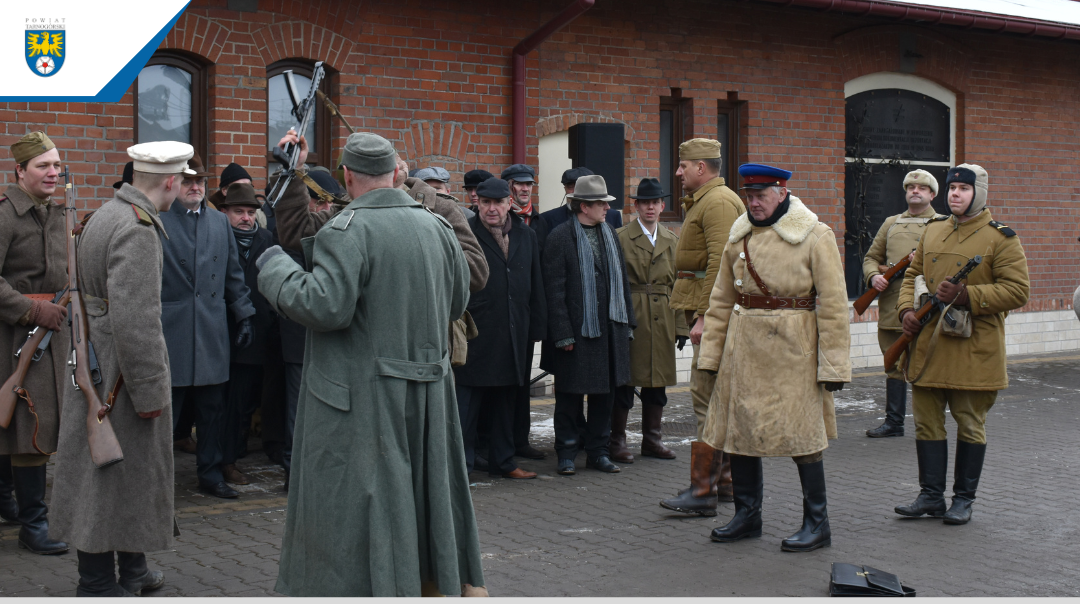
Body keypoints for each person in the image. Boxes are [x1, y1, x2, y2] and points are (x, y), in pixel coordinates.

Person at [256, 131, 485, 596]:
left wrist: (274, 269)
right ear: (395, 172)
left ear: (346, 175)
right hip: (429, 398)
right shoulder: (438, 228)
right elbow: (459, 297)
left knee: (362, 508)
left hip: (361, 401)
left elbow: (325, 306)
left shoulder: (349, 230)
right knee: (426, 498)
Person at [51, 140, 189, 596]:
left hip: (98, 365)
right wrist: (151, 394)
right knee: (111, 480)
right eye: (182, 180)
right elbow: (137, 321)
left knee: (121, 479)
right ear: (170, 181)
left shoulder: (107, 214)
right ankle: (97, 583)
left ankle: (132, 572)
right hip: (121, 377)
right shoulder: (137, 229)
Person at [698, 163, 850, 552]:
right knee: (742, 433)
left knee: (804, 438)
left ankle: (818, 523)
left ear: (782, 194)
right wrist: (711, 358)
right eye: (748, 196)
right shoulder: (739, 237)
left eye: (760, 196)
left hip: (794, 352)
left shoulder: (815, 236)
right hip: (744, 350)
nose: (753, 202)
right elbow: (720, 301)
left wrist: (833, 365)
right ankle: (748, 516)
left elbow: (833, 306)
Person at [895, 164, 1029, 525]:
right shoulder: (933, 231)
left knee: (969, 423)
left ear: (978, 193)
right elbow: (912, 274)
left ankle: (963, 500)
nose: (955, 194)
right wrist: (907, 309)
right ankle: (930, 496)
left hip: (974, 350)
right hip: (929, 347)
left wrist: (968, 294)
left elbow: (1018, 291)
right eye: (952, 187)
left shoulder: (1001, 238)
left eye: (963, 189)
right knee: (926, 424)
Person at [273, 136, 488, 296]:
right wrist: (293, 170)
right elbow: (298, 232)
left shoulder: (439, 207)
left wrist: (413, 244)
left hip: (428, 336)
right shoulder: (349, 210)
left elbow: (476, 272)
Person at [158, 151, 255, 499]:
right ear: (174, 182)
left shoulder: (217, 222)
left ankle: (211, 474)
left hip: (211, 330)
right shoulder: (159, 219)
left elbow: (233, 275)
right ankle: (157, 482)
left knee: (213, 409)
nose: (195, 186)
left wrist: (244, 314)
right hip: (172, 330)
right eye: (188, 181)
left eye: (200, 181)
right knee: (167, 413)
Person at [660, 138, 745, 517]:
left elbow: (722, 264)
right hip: (705, 314)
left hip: (712, 318)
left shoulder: (719, 202)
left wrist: (706, 316)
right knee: (710, 398)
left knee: (706, 398)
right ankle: (722, 483)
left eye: (683, 165)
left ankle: (703, 490)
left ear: (700, 168)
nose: (677, 172)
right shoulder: (707, 201)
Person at [0, 131, 70, 555]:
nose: (53, 172)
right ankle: (33, 525)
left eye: (56, 164)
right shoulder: (6, 215)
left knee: (29, 422)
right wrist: (29, 309)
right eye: (43, 165)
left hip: (54, 335)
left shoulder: (60, 213)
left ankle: (11, 503)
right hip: (12, 334)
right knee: (26, 425)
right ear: (20, 171)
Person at [541, 174, 636, 476]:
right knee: (568, 397)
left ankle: (598, 452)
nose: (607, 208)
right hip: (578, 335)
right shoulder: (560, 237)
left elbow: (623, 281)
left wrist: (627, 326)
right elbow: (554, 291)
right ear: (583, 206)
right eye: (600, 203)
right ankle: (567, 453)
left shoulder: (610, 233)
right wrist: (562, 334)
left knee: (604, 398)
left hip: (609, 332)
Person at [454, 178, 546, 479]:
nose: (491, 209)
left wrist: (537, 327)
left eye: (498, 203)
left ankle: (504, 461)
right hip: (477, 330)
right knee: (467, 404)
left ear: (510, 203)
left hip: (513, 329)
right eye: (485, 203)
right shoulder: (465, 234)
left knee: (507, 401)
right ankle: (461, 466)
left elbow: (536, 283)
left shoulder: (526, 234)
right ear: (476, 202)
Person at [610, 177, 687, 464]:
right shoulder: (620, 237)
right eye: (645, 203)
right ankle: (616, 440)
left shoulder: (672, 240)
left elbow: (680, 286)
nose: (650, 208)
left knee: (658, 385)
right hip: (634, 316)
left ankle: (652, 440)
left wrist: (681, 327)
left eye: (655, 202)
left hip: (664, 318)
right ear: (637, 206)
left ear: (662, 206)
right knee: (625, 383)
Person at [861, 170, 943, 437]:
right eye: (911, 187)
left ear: (932, 194)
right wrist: (874, 276)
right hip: (891, 307)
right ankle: (894, 422)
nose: (915, 191)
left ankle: (930, 425)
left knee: (928, 365)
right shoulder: (891, 223)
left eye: (922, 188)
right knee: (894, 365)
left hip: (925, 307)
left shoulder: (943, 224)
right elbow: (870, 257)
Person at [217, 183, 277, 487]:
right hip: (219, 332)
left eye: (251, 212)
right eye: (238, 211)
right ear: (225, 212)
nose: (245, 218)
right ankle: (214, 461)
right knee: (215, 401)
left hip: (256, 334)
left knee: (242, 402)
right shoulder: (216, 237)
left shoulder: (266, 240)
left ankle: (230, 458)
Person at [541, 167, 623, 230]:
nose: (576, 192)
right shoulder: (547, 219)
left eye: (582, 187)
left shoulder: (613, 216)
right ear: (564, 188)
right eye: (571, 187)